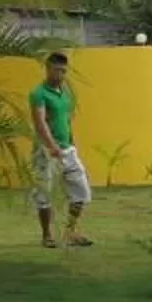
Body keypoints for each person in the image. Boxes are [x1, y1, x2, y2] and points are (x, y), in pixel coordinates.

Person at [28, 51, 93, 249]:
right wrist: (52, 146)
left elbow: (65, 121)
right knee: (44, 193)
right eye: (57, 70)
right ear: (47, 68)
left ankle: (70, 232)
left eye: (64, 71)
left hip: (67, 150)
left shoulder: (65, 93)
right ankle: (47, 235)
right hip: (45, 151)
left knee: (81, 191)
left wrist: (70, 143)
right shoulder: (38, 93)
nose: (60, 74)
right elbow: (40, 123)